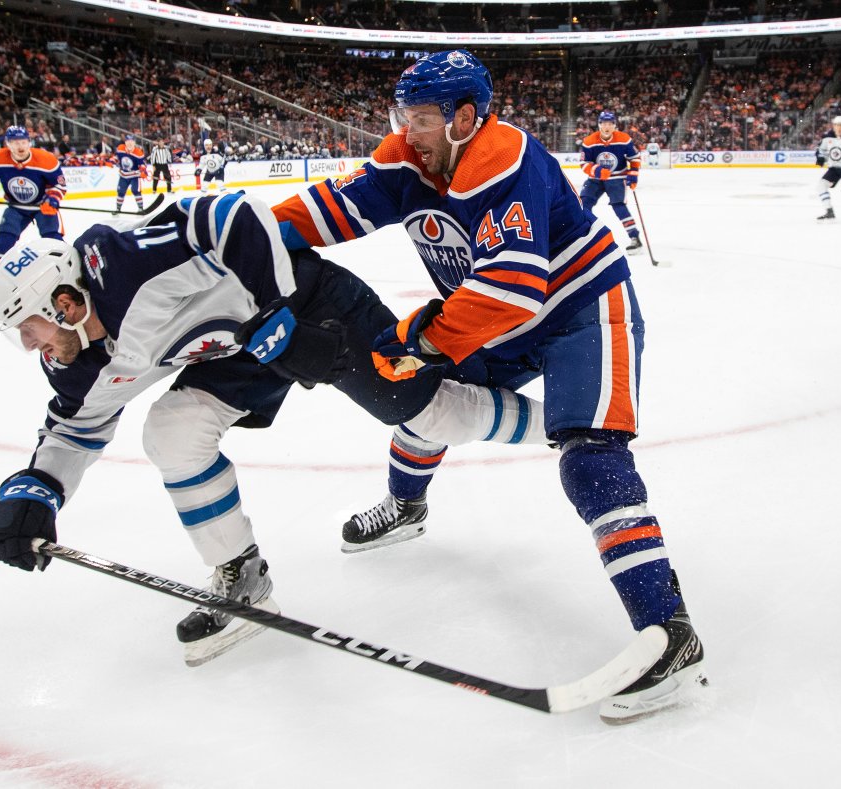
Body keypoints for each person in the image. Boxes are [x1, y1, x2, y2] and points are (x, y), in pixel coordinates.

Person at [272, 49, 705, 724]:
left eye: (419, 118)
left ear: (464, 118)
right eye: (403, 116)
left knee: (590, 461)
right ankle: (406, 506)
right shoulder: (410, 157)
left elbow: (513, 288)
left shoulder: (504, 158)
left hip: (581, 308)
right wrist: (250, 235)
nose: (406, 130)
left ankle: (669, 634)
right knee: (428, 402)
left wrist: (425, 337)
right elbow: (333, 207)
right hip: (497, 317)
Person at [0, 192, 549, 667]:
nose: (30, 346)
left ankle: (569, 425)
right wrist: (35, 492)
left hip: (308, 303)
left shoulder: (126, 266)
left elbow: (235, 217)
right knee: (172, 433)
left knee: (434, 414)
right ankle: (242, 575)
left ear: (63, 301)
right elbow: (74, 430)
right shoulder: (77, 358)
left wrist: (277, 320)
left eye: (28, 327)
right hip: (240, 345)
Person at [0, 125, 66, 272]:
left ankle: (67, 273)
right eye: (15, 142)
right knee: (4, 241)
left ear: (29, 142)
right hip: (16, 208)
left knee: (53, 240)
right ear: (8, 144)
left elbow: (59, 185)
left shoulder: (46, 160)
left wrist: (52, 199)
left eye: (23, 142)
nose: (20, 146)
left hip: (42, 207)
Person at [579, 111, 643, 252]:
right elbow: (584, 163)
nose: (607, 127)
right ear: (599, 125)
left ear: (614, 125)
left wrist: (633, 175)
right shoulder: (590, 141)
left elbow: (635, 158)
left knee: (619, 206)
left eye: (610, 124)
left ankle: (634, 237)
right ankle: (580, 236)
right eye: (604, 124)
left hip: (617, 177)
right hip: (595, 179)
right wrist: (597, 171)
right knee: (582, 204)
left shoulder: (624, 139)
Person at [112, 134, 146, 213]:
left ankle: (140, 208)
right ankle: (118, 209)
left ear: (134, 142)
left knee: (135, 190)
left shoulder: (138, 152)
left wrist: (143, 171)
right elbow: (116, 158)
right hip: (123, 175)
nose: (129, 143)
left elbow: (142, 164)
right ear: (125, 142)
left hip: (134, 175)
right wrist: (111, 161)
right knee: (120, 192)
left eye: (131, 141)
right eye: (128, 141)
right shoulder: (120, 148)